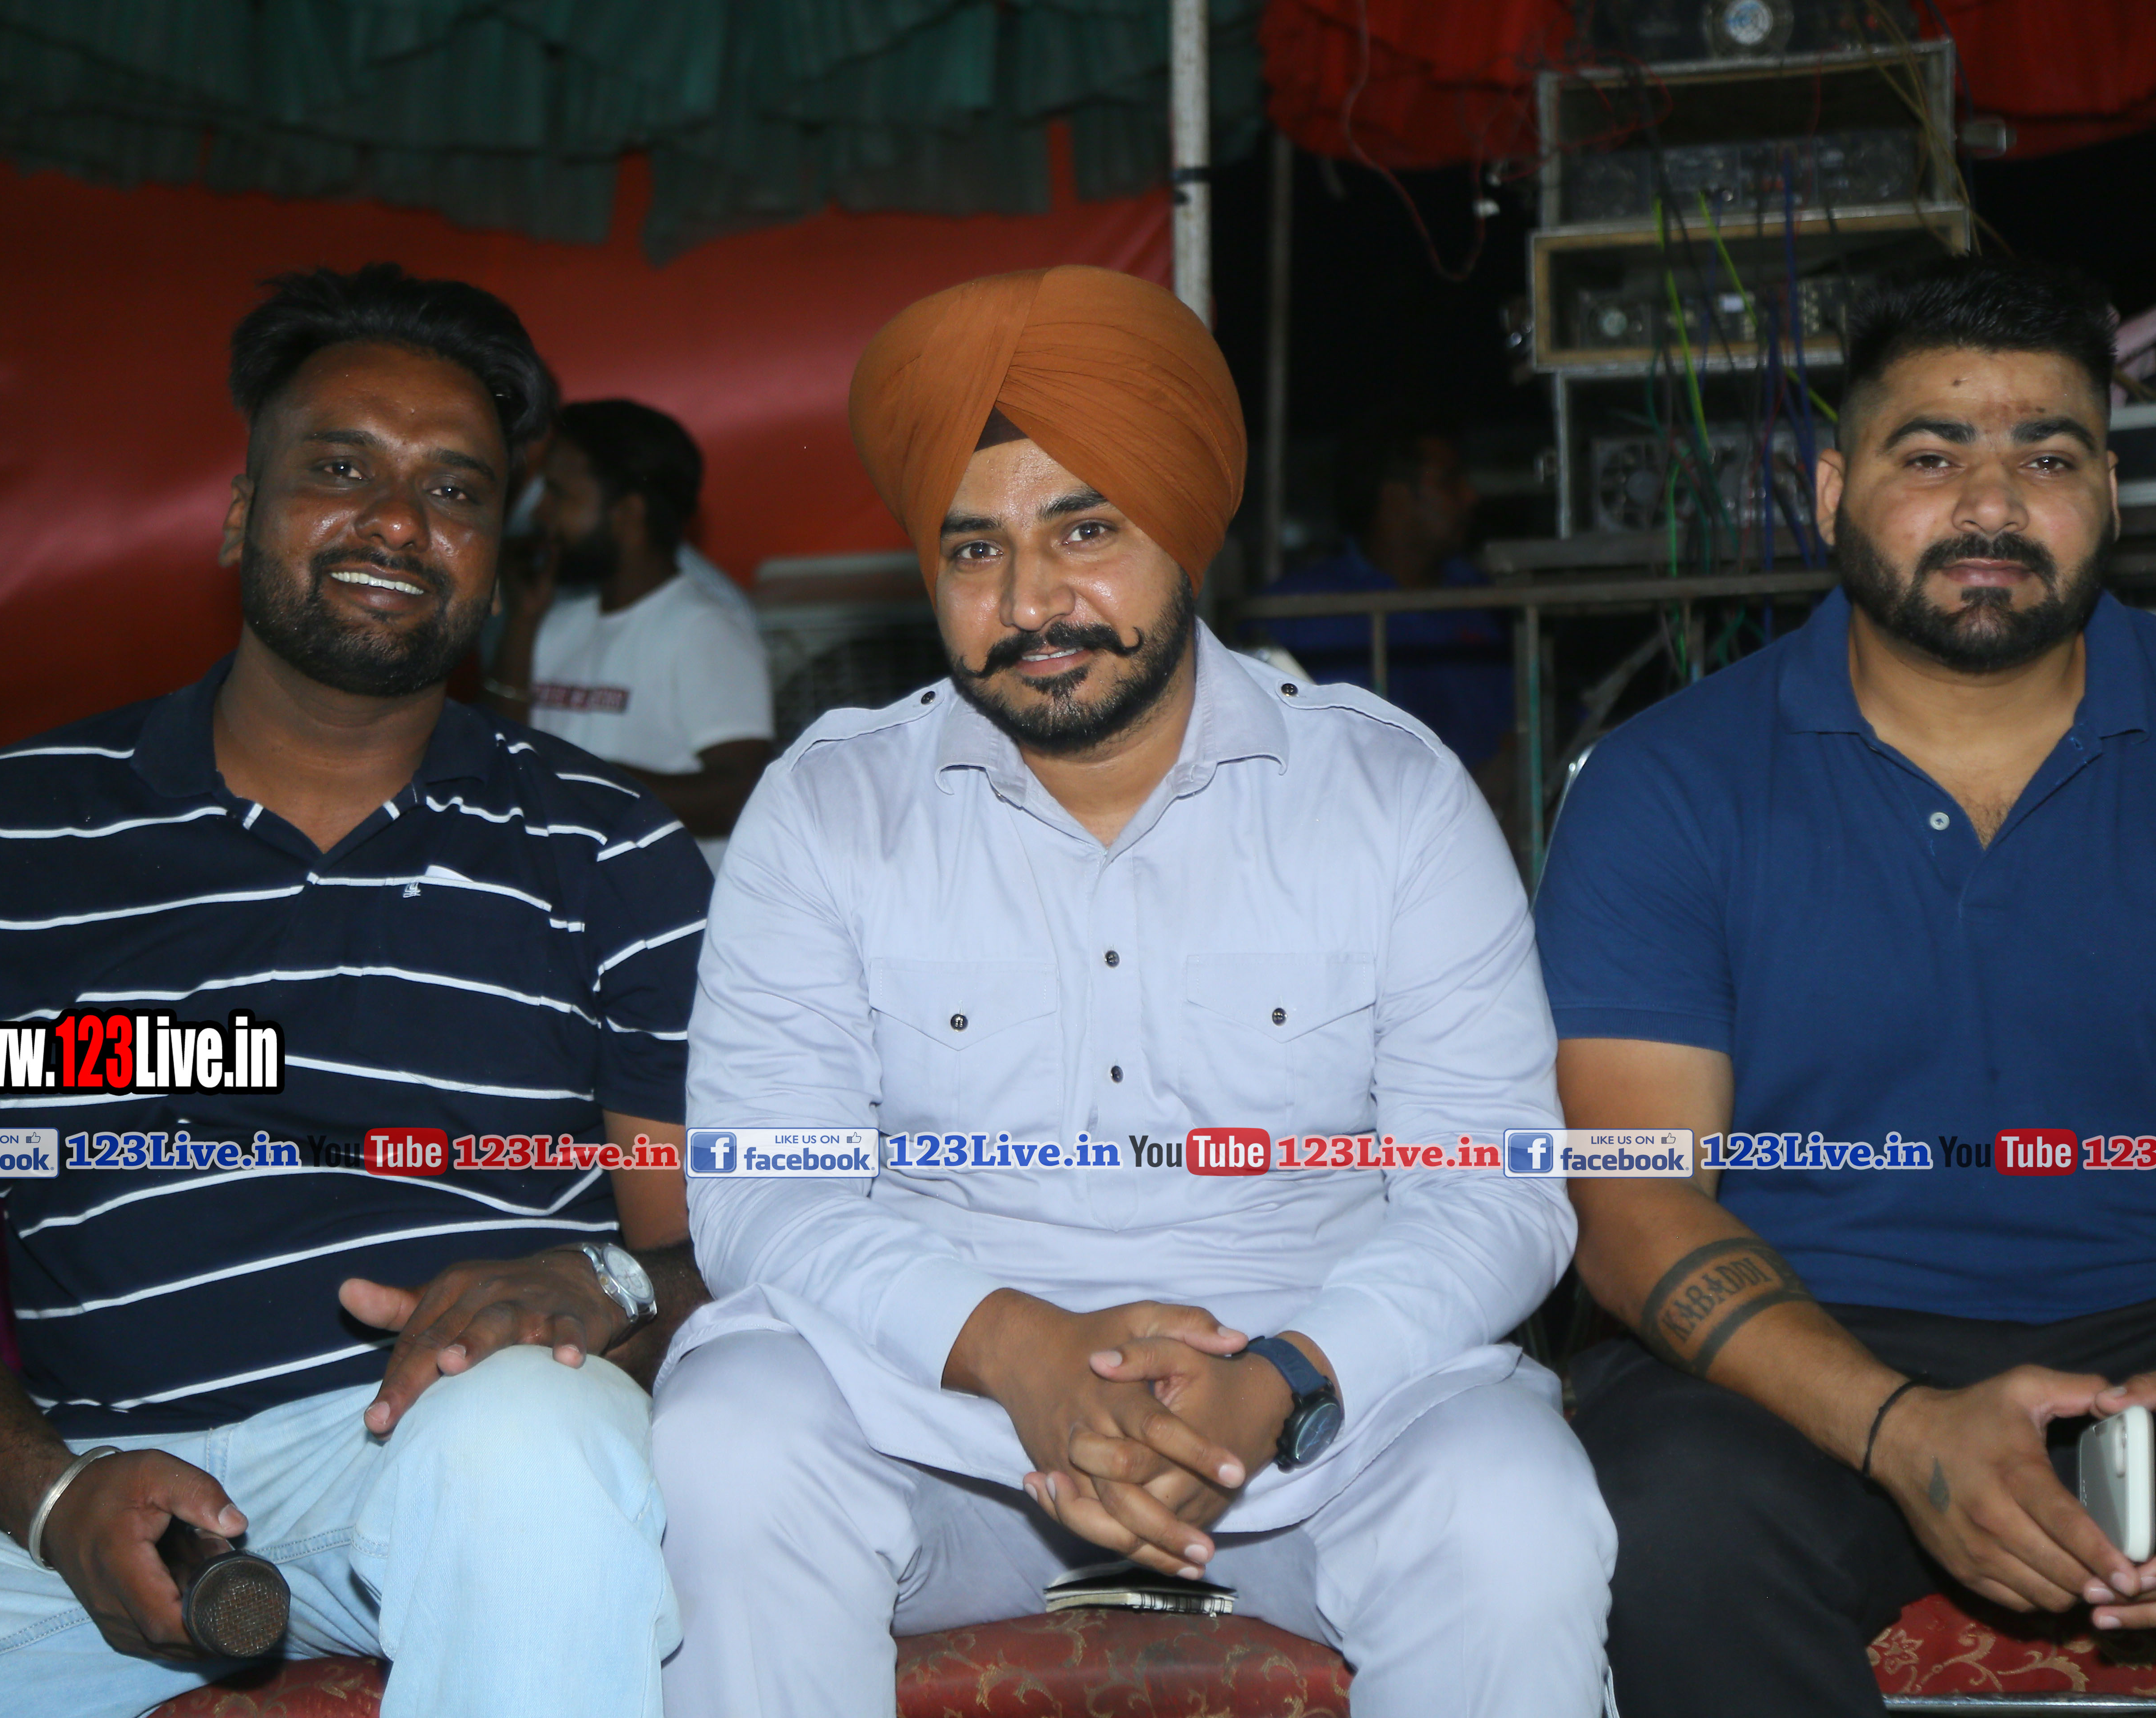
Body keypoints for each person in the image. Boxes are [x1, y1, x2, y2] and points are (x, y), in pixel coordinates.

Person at [648, 265, 1613, 1718]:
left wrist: (1281, 1375)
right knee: (729, 1442)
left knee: (1514, 1511)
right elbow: (763, 1191)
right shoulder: (832, 808)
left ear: (1185, 528)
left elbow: (1496, 1190)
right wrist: (1019, 1350)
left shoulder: (1387, 793)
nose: (1032, 602)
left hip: (1316, 1432)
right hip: (942, 1426)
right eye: (975, 550)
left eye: (1085, 530)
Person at [0, 264, 713, 1718]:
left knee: (529, 1441)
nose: (399, 523)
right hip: (96, 1481)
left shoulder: (609, 852)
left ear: (495, 561)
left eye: (457, 492)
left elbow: (705, 1256)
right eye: (340, 469)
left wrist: (600, 1283)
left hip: (462, 1436)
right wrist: (52, 1499)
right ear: (239, 514)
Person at [1534, 256, 2156, 1718]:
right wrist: (1900, 1429)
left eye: (2047, 458)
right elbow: (1630, 1199)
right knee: (1658, 1520)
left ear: (2111, 492)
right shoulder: (1667, 785)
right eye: (1930, 457)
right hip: (1816, 1345)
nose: (1992, 507)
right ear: (1829, 493)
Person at [485, 398, 775, 870]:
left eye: (559, 494)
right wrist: (522, 622)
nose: (540, 513)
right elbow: (500, 751)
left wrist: (584, 780)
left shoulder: (705, 629)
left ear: (626, 515)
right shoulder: (556, 620)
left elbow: (737, 792)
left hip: (663, 904)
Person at [1258, 416, 1513, 773]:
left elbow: (1532, 724)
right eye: (1448, 481)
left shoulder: (1493, 601)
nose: (1471, 496)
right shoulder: (1295, 612)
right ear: (1394, 496)